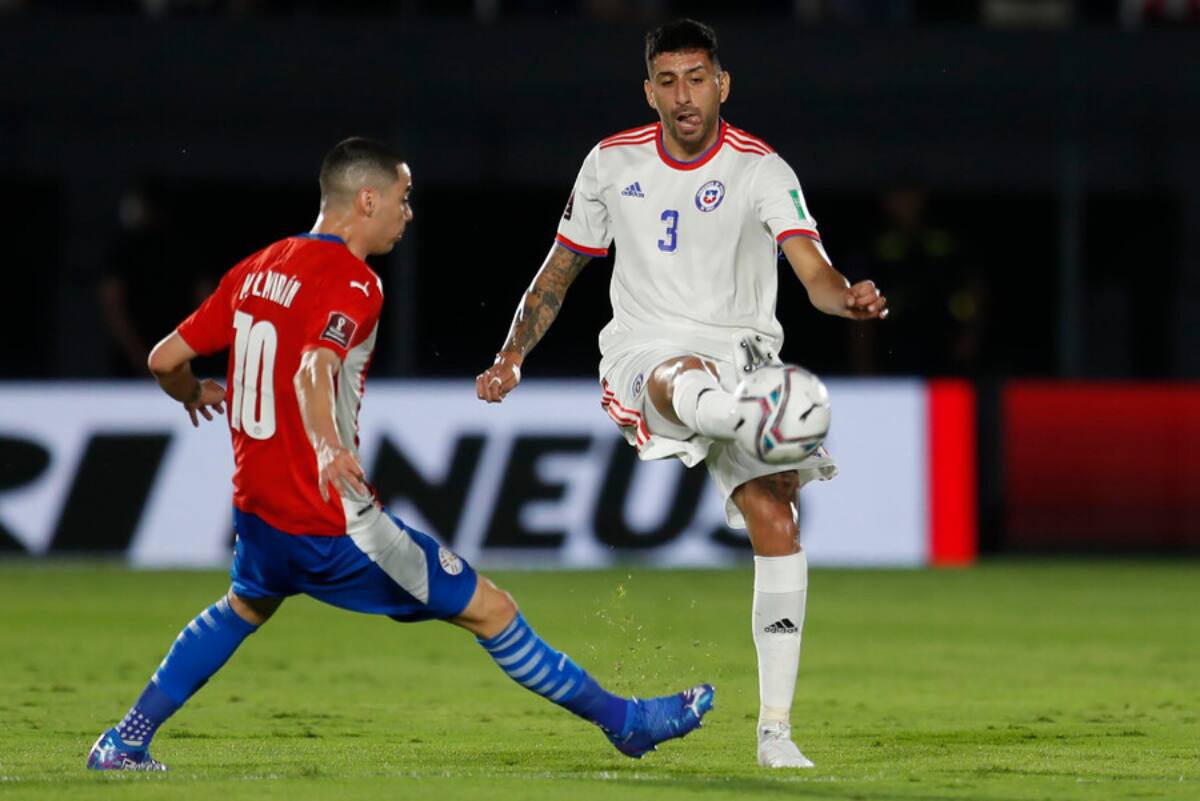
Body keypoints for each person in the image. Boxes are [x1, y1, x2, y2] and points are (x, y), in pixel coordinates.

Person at [86, 137, 713, 772]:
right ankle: (627, 724)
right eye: (402, 197)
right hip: (330, 521)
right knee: (491, 609)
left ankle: (125, 741)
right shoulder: (355, 282)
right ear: (367, 199)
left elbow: (164, 359)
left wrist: (193, 392)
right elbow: (313, 367)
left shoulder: (255, 269)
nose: (407, 213)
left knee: (243, 607)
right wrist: (328, 448)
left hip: (258, 513)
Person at [475, 20, 887, 769]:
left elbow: (814, 272)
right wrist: (511, 355)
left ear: (721, 84)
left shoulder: (762, 169)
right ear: (649, 91)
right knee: (681, 370)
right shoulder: (611, 162)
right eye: (667, 81)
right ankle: (744, 419)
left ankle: (775, 733)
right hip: (645, 353)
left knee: (778, 522)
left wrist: (847, 300)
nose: (683, 95)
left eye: (696, 79)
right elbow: (559, 270)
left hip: (744, 357)